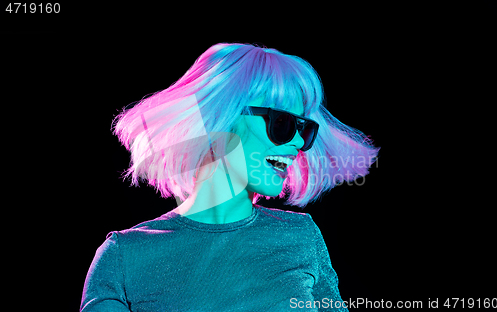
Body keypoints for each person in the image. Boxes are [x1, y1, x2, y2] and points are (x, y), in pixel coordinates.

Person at [81, 43, 379, 311]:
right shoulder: (124, 259)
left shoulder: (301, 236)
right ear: (221, 119)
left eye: (304, 129)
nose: (299, 143)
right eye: (283, 123)